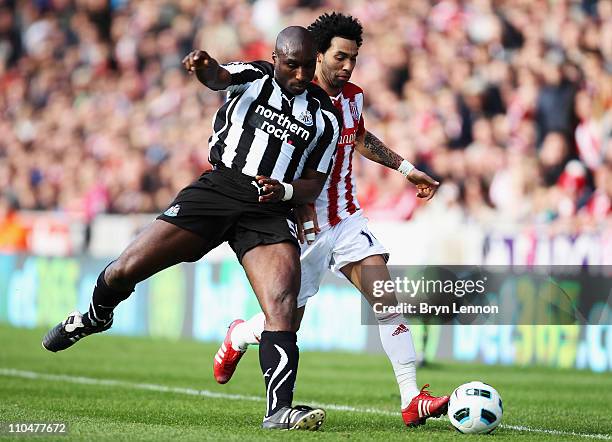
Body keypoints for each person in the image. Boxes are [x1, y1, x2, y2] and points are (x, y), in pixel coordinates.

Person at [42, 26, 341, 431]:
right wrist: (203, 66)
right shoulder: (253, 76)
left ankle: (279, 411)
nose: (302, 75)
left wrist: (284, 189)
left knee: (283, 306)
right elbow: (219, 77)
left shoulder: (324, 116)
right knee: (125, 269)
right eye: (293, 66)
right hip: (219, 189)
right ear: (275, 58)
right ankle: (95, 317)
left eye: (309, 67)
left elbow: (313, 182)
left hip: (268, 208)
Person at [212, 12, 449, 428]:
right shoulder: (289, 100)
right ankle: (237, 336)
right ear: (316, 55)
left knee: (386, 301)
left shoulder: (353, 96)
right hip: (299, 228)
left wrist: (406, 168)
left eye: (353, 58)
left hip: (345, 220)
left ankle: (412, 398)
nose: (347, 66)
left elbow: (358, 137)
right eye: (340, 56)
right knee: (284, 321)